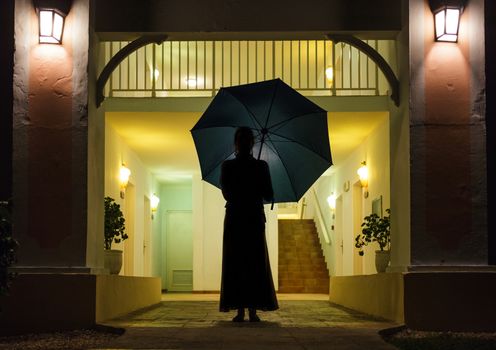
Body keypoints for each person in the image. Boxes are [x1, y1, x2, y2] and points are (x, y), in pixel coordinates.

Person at [219, 126, 279, 322]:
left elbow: (227, 193)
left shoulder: (229, 167)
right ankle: (250, 309)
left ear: (237, 144)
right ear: (252, 143)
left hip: (238, 217)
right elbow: (269, 194)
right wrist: (256, 182)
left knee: (237, 261)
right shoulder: (260, 166)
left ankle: (241, 310)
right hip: (251, 217)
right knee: (253, 262)